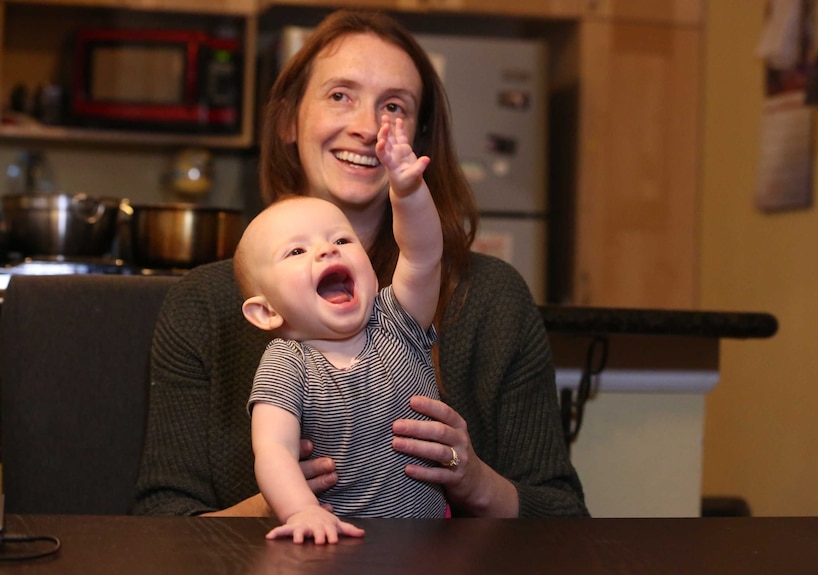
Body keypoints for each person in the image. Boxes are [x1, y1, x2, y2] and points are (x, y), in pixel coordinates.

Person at [133, 8, 589, 520]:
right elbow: (161, 522)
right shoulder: (203, 304)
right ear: (288, 120)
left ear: (415, 140)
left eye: (393, 106)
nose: (368, 127)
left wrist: (475, 482)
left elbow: (563, 517)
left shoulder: (492, 297)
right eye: (339, 96)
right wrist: (281, 502)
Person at [234, 114, 447, 543]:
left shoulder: (396, 320)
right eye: (296, 250)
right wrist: (302, 512)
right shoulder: (286, 365)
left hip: (431, 543)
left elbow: (423, 254)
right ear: (266, 313)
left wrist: (407, 190)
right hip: (340, 543)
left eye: (342, 240)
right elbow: (274, 450)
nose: (327, 249)